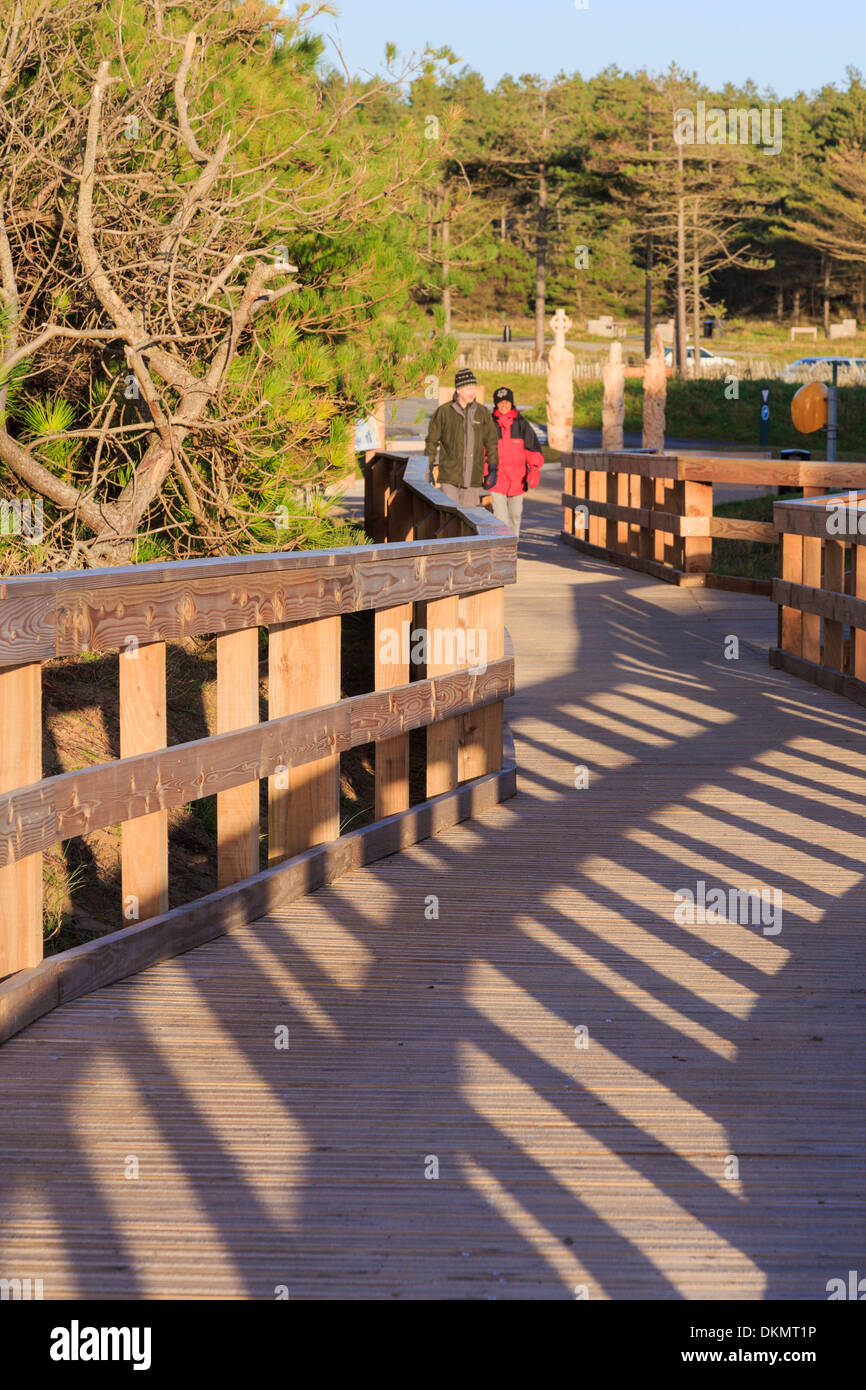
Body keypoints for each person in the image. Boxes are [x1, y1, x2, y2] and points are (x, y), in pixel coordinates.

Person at [424, 369, 499, 508]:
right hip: (449, 476)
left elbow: (491, 442)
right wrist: (427, 467)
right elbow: (431, 441)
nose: (472, 392)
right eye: (468, 388)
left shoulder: (482, 413)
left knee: (468, 520)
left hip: (473, 478)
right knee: (450, 518)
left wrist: (493, 468)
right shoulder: (444, 412)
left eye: (474, 388)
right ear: (458, 390)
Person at [487, 386, 544, 536]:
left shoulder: (522, 424)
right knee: (500, 517)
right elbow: (482, 451)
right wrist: (486, 470)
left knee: (515, 516)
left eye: (507, 402)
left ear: (512, 403)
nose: (504, 405)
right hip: (497, 479)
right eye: (500, 402)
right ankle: (502, 551)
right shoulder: (490, 424)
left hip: (518, 480)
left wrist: (534, 469)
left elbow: (533, 449)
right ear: (496, 404)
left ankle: (513, 548)